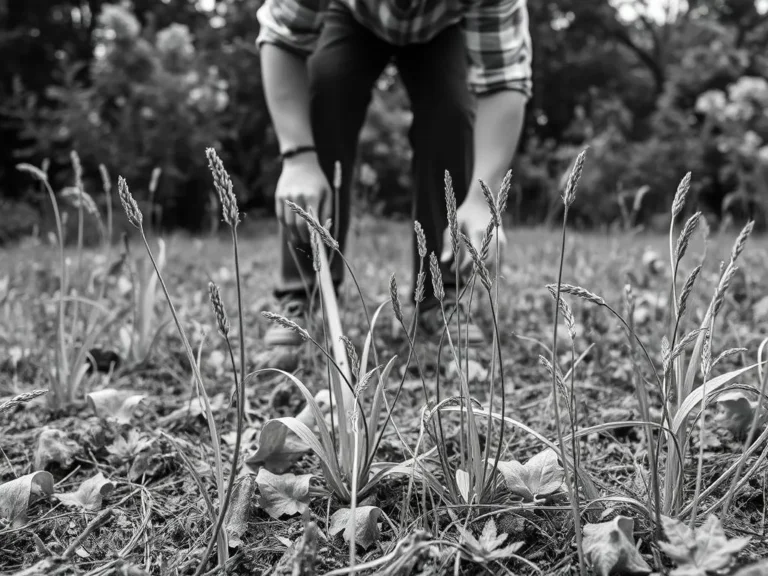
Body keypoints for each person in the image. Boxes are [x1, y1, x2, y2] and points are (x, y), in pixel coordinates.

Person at [256, 0, 532, 349]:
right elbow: (282, 37)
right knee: (328, 88)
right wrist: (297, 157)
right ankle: (303, 293)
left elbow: (505, 77)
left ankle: (442, 294)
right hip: (352, 14)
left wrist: (481, 199)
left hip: (442, 26)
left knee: (450, 111)